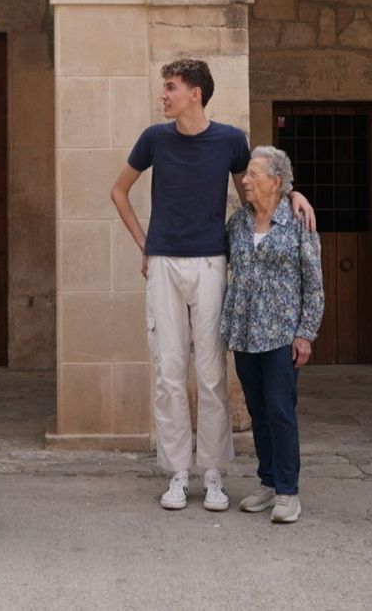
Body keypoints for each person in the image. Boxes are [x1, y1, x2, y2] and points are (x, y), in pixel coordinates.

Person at [111, 59, 313, 512]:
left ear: (195, 93)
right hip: (164, 262)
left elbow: (259, 186)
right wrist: (145, 243)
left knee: (211, 373)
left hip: (209, 263)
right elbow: (118, 191)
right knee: (168, 371)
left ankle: (215, 474)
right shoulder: (153, 139)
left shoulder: (228, 140)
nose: (163, 95)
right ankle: (178, 474)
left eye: (171, 87)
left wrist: (295, 192)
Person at [222, 146, 323, 524]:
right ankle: (267, 482)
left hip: (282, 335)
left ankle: (288, 491)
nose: (245, 181)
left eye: (253, 174)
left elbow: (313, 284)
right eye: (245, 174)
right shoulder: (239, 223)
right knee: (258, 411)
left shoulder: (299, 222)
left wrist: (305, 333)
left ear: (276, 181)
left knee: (281, 411)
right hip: (245, 332)